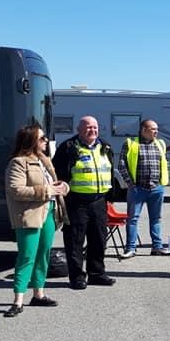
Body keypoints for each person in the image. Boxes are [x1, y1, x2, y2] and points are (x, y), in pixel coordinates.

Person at [3, 125, 69, 317]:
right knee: (26, 256)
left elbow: (52, 186)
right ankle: (18, 300)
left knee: (43, 254)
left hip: (49, 212)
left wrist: (63, 187)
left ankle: (38, 294)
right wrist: (48, 190)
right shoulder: (18, 163)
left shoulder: (45, 161)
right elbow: (16, 190)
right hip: (29, 216)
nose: (46, 141)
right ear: (31, 141)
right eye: (42, 138)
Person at [52, 116, 117, 290]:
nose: (92, 130)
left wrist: (110, 197)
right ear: (78, 130)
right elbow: (57, 173)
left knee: (99, 240)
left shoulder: (105, 146)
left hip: (99, 201)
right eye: (88, 127)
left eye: (95, 127)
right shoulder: (68, 147)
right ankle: (77, 277)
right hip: (77, 201)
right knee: (75, 241)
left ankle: (97, 273)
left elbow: (109, 170)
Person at [117, 119, 170, 258]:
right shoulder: (131, 144)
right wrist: (130, 183)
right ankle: (130, 248)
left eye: (156, 129)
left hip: (156, 188)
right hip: (137, 189)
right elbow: (122, 165)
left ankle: (157, 247)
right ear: (143, 130)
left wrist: (162, 181)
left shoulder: (160, 144)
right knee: (133, 219)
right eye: (153, 129)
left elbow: (165, 163)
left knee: (156, 219)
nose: (156, 131)